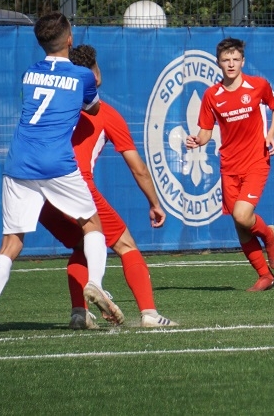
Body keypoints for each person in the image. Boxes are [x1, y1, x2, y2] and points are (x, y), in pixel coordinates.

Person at [0, 12, 122, 335]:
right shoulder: (82, 76)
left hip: (19, 162)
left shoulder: (28, 73)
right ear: (70, 40)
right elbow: (92, 108)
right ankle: (95, 284)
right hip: (56, 163)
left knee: (11, 242)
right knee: (91, 225)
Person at [38, 44, 178, 328]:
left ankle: (79, 314)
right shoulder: (106, 113)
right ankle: (149, 314)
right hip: (75, 186)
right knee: (126, 245)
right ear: (95, 75)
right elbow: (137, 168)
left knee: (81, 245)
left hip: (39, 191)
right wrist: (155, 203)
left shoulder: (51, 106)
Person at [185, 37, 274, 291]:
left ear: (243, 61)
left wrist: (271, 134)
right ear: (218, 63)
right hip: (229, 167)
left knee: (243, 215)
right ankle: (265, 276)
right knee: (241, 227)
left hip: (256, 161)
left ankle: (269, 236)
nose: (231, 64)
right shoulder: (211, 96)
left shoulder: (258, 85)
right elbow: (206, 131)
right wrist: (197, 140)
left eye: (235, 59)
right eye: (226, 60)